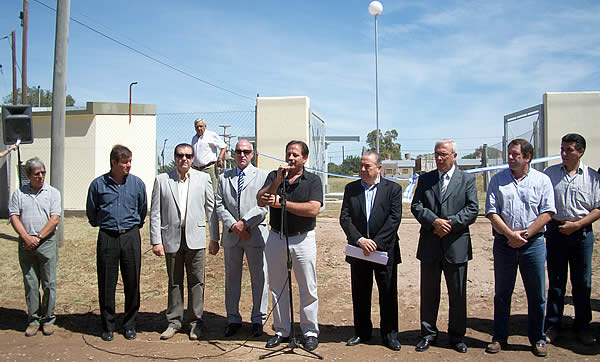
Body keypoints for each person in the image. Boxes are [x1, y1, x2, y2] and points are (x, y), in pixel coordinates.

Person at [484, 139, 555, 357]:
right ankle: (499, 337)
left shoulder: (542, 181)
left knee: (536, 294)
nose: (511, 158)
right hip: (504, 244)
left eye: (515, 154)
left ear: (527, 157)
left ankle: (538, 338)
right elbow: (491, 212)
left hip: (533, 244)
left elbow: (548, 212)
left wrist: (526, 234)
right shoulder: (498, 180)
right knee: (502, 293)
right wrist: (510, 234)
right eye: (509, 154)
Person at [411, 140, 478, 353]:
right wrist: (434, 222)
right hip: (431, 244)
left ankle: (457, 336)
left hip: (456, 244)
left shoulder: (467, 179)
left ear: (454, 156)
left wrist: (450, 224)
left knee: (457, 293)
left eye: (444, 154)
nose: (440, 158)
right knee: (429, 293)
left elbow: (473, 208)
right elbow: (416, 206)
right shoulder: (426, 179)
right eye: (437, 154)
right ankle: (428, 333)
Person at [257, 140, 323, 351]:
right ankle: (281, 330)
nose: (291, 158)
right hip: (277, 237)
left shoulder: (313, 180)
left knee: (308, 287)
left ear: (304, 158)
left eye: (295, 155)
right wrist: (276, 181)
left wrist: (283, 203)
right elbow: (260, 200)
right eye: (288, 154)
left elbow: (313, 209)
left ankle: (310, 331)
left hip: (303, 239)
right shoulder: (275, 177)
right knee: (277, 287)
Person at [149, 143, 218, 341]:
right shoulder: (162, 180)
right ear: (175, 157)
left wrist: (214, 238)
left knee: (197, 282)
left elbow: (211, 210)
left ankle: (195, 322)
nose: (184, 159)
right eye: (180, 155)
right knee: (174, 282)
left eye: (188, 155)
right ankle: (174, 322)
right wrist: (156, 240)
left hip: (195, 239)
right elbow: (155, 212)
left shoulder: (203, 179)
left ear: (193, 158)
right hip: (171, 239)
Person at [339, 151, 403, 351]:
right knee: (360, 292)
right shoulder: (351, 189)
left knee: (388, 293)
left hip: (384, 251)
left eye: (368, 166)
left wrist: (375, 243)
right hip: (359, 251)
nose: (363, 169)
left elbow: (394, 218)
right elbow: (345, 218)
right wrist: (360, 240)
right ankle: (362, 331)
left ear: (379, 168)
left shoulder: (393, 189)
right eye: (361, 166)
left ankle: (390, 334)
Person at [86, 145, 147, 342]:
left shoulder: (137, 184)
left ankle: (129, 324)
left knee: (132, 281)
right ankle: (108, 325)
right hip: (107, 237)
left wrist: (133, 226)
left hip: (130, 236)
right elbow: (92, 212)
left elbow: (142, 209)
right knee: (106, 282)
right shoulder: (98, 185)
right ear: (114, 163)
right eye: (124, 162)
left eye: (130, 161)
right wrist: (105, 225)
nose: (129, 165)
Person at [544, 133, 600, 345]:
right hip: (556, 233)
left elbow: (598, 207)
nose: (564, 154)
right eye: (562, 149)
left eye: (569, 150)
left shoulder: (593, 177)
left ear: (581, 152)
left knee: (582, 282)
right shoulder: (550, 174)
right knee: (556, 281)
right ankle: (553, 325)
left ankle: (583, 326)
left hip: (582, 234)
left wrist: (577, 225)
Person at [212, 139, 269, 338]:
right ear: (234, 154)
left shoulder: (262, 176)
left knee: (259, 278)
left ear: (253, 154)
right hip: (232, 236)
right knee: (232, 278)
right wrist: (234, 226)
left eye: (246, 151)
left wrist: (245, 223)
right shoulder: (224, 177)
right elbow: (219, 205)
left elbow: (264, 206)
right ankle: (233, 318)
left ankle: (258, 320)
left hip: (255, 234)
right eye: (238, 151)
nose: (242, 155)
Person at [9, 157, 61, 337]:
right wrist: (25, 237)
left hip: (46, 243)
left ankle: (48, 319)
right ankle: (33, 320)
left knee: (49, 283)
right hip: (26, 245)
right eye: (37, 173)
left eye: (43, 173)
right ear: (28, 175)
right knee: (31, 284)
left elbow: (55, 218)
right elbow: (14, 216)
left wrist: (38, 238)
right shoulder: (19, 194)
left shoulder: (53, 193)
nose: (41, 176)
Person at [191, 118, 227, 193]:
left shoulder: (211, 135)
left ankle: (213, 204)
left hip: (209, 168)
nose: (199, 128)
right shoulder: (194, 138)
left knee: (211, 190)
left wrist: (219, 158)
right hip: (196, 169)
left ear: (205, 126)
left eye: (201, 126)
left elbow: (223, 146)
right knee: (198, 191)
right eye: (197, 127)